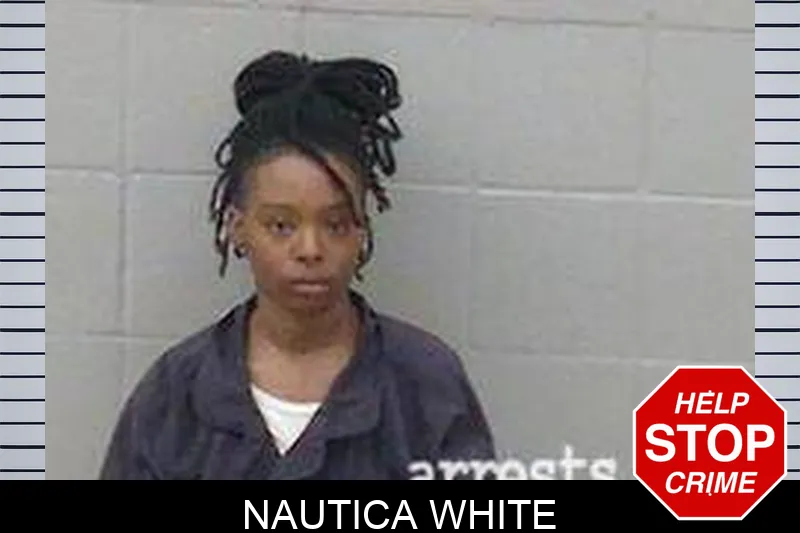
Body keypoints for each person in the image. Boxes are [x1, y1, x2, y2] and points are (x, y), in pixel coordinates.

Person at [99, 50, 495, 480]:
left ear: (361, 230)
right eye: (281, 225)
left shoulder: (426, 385)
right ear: (237, 228)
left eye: (335, 224)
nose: (310, 249)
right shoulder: (177, 393)